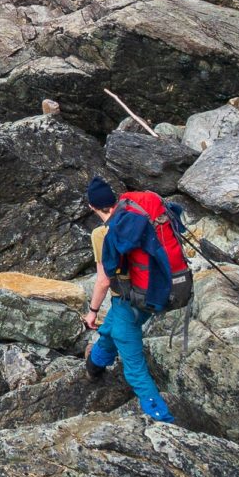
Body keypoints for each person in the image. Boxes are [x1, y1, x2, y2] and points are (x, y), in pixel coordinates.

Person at [82, 176, 175, 423]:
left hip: (128, 301)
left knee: (134, 368)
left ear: (92, 207)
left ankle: (162, 418)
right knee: (110, 331)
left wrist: (92, 311)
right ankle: (94, 366)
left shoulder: (101, 234)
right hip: (156, 290)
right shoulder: (139, 213)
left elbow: (103, 281)